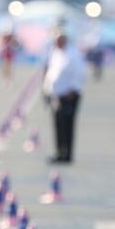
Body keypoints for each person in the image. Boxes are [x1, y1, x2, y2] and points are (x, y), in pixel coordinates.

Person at [42, 31, 86, 164]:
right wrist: (47, 90)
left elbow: (79, 73)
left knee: (68, 125)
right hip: (57, 94)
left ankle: (67, 154)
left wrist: (72, 90)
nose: (56, 43)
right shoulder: (55, 53)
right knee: (58, 124)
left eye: (59, 40)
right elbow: (51, 73)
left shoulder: (73, 54)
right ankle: (59, 152)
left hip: (69, 95)